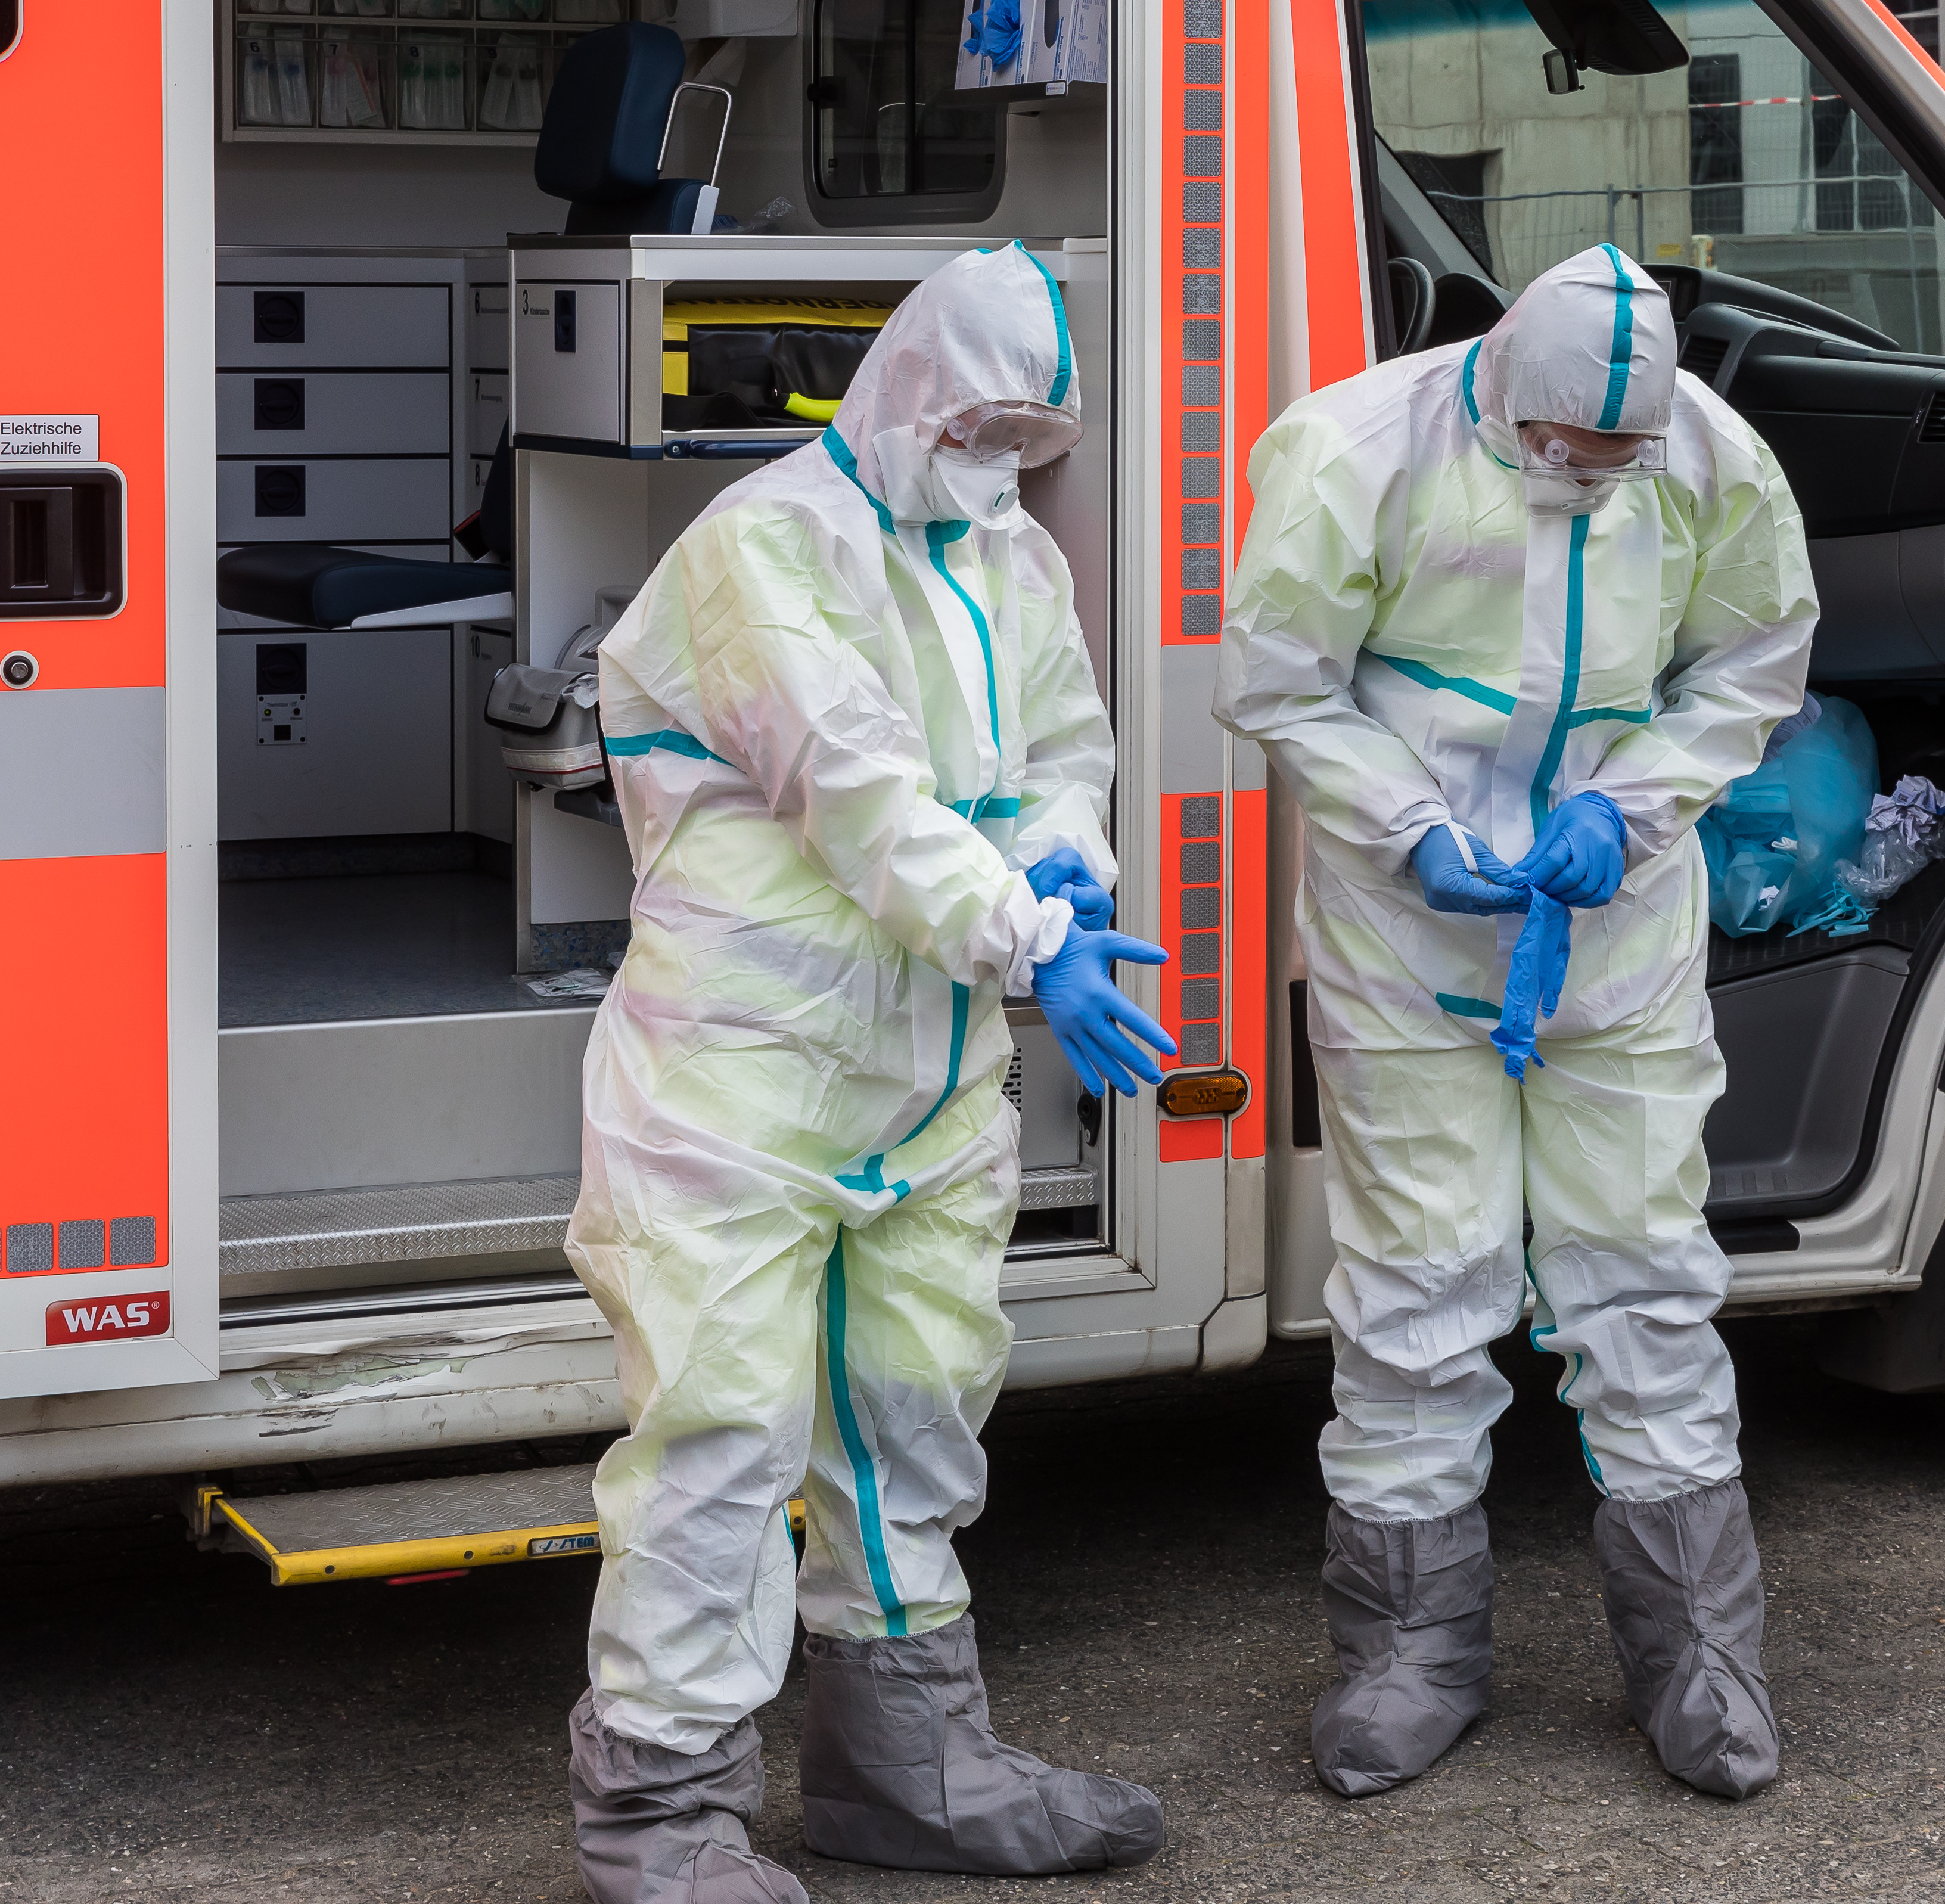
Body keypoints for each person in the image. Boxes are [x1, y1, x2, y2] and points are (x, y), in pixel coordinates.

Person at [563, 242, 1177, 1903]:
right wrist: (1016, 931)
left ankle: (903, 1771)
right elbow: (858, 791)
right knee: (720, 1432)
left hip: (926, 1075)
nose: (994, 459)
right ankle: (660, 1815)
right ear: (906, 386)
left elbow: (1063, 749)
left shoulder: (1009, 558)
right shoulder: (767, 548)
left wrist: (1059, 873)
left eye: (1027, 438)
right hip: (741, 1088)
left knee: (913, 1408)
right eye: (975, 423)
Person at [1213, 245, 1817, 1801]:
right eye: (1563, 447)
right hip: (1404, 924)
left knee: (1642, 1279)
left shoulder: (1711, 460)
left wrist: (1631, 805)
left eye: (1618, 453)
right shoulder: (1354, 450)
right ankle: (1408, 1651)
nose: (1589, 475)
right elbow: (1281, 679)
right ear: (1500, 389)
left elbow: (1749, 663)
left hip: (1614, 926)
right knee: (1417, 1284)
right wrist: (1409, 823)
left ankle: (1701, 1651)